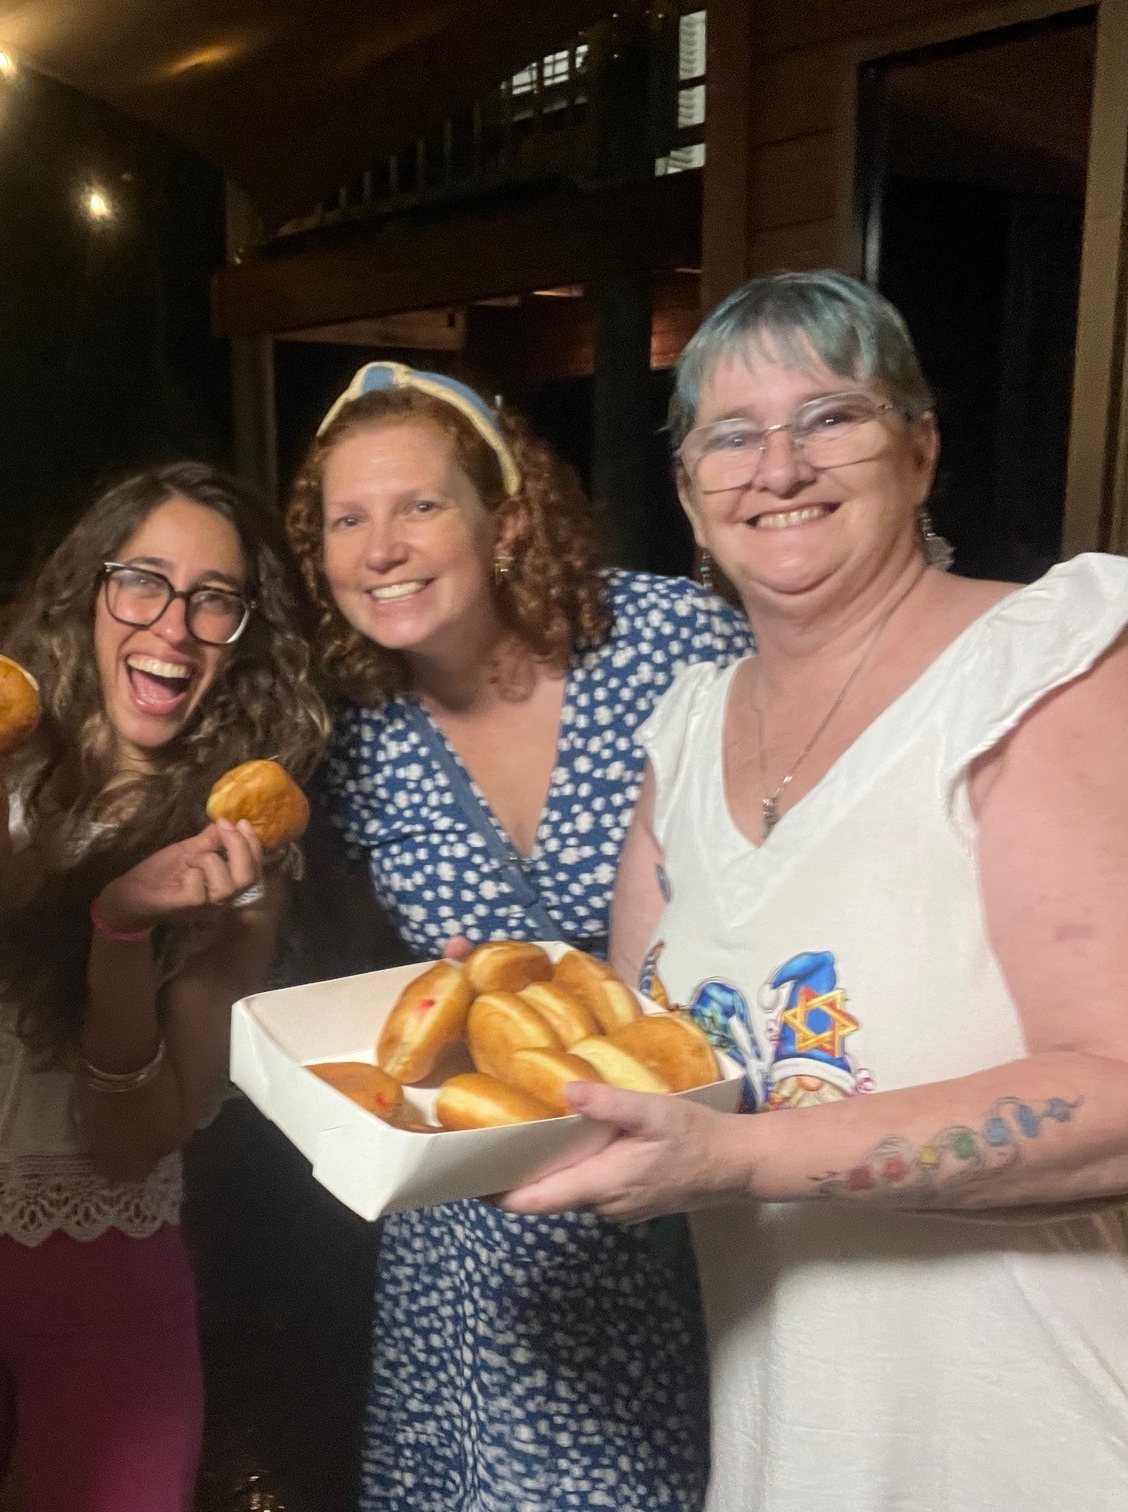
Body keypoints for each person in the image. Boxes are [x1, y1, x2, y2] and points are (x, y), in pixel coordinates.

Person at [499, 269, 1128, 1508]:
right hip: (798, 1440)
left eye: (832, 416)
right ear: (690, 498)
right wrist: (504, 1022)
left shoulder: (1058, 670)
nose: (779, 468)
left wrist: (743, 1159)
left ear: (920, 450)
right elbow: (651, 1054)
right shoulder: (687, 732)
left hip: (1061, 1446)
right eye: (732, 435)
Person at [288, 361, 752, 1509]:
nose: (381, 545)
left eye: (419, 505)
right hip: (478, 1227)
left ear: (506, 520)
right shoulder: (360, 738)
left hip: (689, 1182)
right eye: (348, 519)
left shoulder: (668, 641)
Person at [0, 463, 327, 1511]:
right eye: (143, 581)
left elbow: (129, 1143)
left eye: (215, 600)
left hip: (104, 1292)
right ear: (92, 596)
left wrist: (121, 931)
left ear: (243, 640)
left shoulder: (236, 857)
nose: (174, 628)